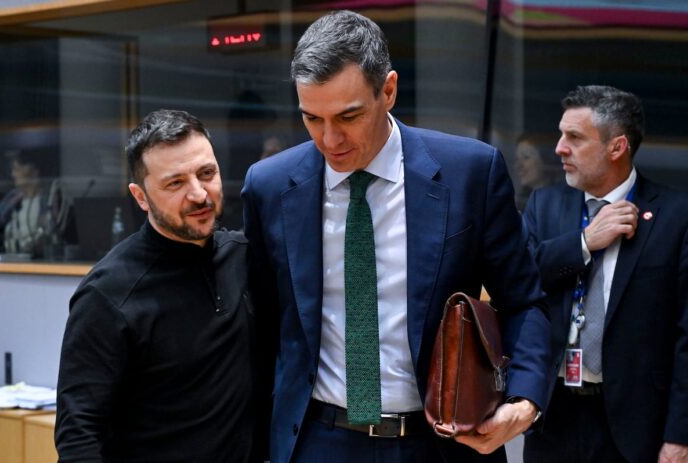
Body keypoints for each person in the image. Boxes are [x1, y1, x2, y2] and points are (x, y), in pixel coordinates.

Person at [242, 10, 551, 463]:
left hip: (441, 443)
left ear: (388, 91)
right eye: (312, 118)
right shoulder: (269, 186)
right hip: (317, 441)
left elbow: (524, 301)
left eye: (348, 116)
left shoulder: (470, 173)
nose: (329, 140)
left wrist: (524, 401)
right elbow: (264, 327)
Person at [55, 109, 256, 462]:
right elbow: (78, 435)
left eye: (206, 174)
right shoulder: (107, 294)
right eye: (175, 183)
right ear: (140, 197)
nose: (199, 194)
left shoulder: (243, 256)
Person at [522, 85, 688, 463]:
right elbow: (519, 280)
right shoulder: (545, 204)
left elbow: (686, 336)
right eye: (561, 135)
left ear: (617, 147)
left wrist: (680, 435)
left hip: (637, 426)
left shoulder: (676, 216)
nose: (559, 148)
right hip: (554, 418)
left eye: (575, 138)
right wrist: (583, 243)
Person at [514, 136, 560, 211]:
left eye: (526, 157)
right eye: (517, 159)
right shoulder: (520, 201)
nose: (518, 165)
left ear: (545, 160)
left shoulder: (560, 200)